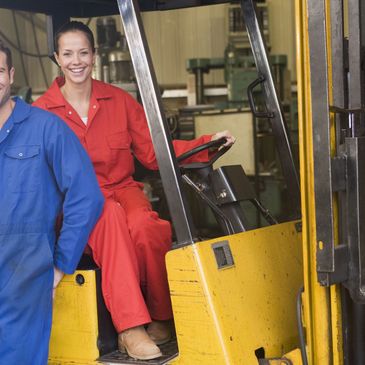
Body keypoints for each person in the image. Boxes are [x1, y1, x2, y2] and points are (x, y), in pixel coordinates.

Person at [34, 21, 235, 361]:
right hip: (75, 204)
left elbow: (154, 153)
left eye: (83, 52)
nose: (76, 60)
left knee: (147, 226)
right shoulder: (41, 113)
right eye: (67, 53)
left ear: (94, 56)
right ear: (57, 58)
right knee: (109, 215)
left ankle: (160, 317)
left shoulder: (119, 101)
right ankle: (130, 327)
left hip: (123, 190)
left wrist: (206, 145)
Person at [0, 40, 104, 365]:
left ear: (11, 74)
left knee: (18, 357)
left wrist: (61, 262)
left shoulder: (46, 129)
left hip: (23, 270)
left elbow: (87, 195)